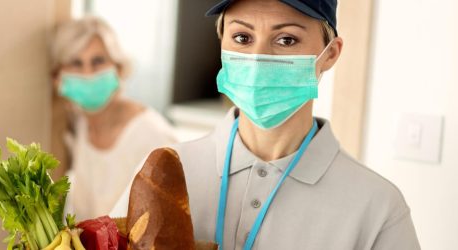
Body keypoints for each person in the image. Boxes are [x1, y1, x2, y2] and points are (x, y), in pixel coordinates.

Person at [110, 0, 420, 249]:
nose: (258, 59)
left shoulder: (377, 207)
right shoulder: (163, 173)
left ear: (330, 54)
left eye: (286, 39)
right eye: (242, 38)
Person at [48, 16, 177, 220]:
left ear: (119, 68)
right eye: (76, 63)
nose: (87, 73)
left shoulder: (153, 136)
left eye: (98, 61)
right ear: (57, 78)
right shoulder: (79, 125)